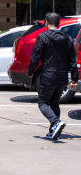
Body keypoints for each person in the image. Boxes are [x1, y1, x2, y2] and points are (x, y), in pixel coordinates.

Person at [27, 12, 78, 140]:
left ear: (46, 22)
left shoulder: (43, 37)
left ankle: (56, 123)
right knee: (55, 103)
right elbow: (73, 60)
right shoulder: (68, 38)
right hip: (61, 77)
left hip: (48, 76)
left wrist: (30, 71)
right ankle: (53, 131)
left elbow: (35, 57)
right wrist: (74, 78)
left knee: (43, 103)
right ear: (59, 23)